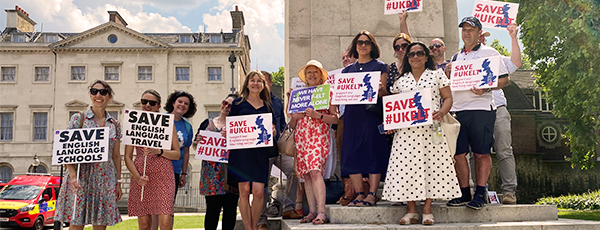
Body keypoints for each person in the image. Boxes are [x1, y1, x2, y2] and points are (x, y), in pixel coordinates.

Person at [382, 42, 460, 225]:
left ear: (426, 56)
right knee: (406, 168)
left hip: (430, 129)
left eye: (419, 53)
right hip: (405, 133)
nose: (415, 57)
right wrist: (391, 123)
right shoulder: (401, 81)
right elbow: (394, 106)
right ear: (407, 59)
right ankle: (411, 210)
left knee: (431, 167)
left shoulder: (437, 75)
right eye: (411, 54)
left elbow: (448, 97)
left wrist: (442, 112)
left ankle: (427, 208)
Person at [444, 17, 518, 210]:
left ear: (479, 33)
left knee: (481, 153)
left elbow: (505, 80)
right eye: (464, 30)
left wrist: (486, 88)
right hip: (458, 111)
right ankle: (464, 192)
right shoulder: (455, 57)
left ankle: (480, 192)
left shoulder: (490, 52)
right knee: (459, 155)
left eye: (471, 30)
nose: (466, 33)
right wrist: (447, 73)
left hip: (481, 110)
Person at [55, 80, 123, 229]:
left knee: (100, 225)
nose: (98, 95)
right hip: (81, 177)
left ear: (109, 97)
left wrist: (118, 182)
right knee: (76, 224)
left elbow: (116, 155)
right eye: (94, 91)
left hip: (104, 179)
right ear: (90, 95)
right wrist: (73, 177)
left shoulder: (115, 124)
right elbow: (67, 150)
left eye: (103, 92)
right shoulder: (79, 119)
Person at [341, 30, 389, 207]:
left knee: (372, 152)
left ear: (372, 46)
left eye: (367, 42)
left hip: (371, 114)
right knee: (352, 153)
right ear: (355, 46)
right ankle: (359, 193)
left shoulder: (379, 66)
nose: (363, 45)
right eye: (359, 42)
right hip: (352, 115)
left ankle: (372, 194)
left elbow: (384, 92)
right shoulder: (347, 71)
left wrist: (379, 88)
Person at [224, 70, 277, 230]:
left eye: (259, 81)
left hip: (259, 154)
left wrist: (273, 131)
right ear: (247, 83)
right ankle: (249, 228)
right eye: (252, 80)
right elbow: (230, 125)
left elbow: (273, 128)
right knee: (245, 190)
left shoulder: (268, 105)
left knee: (259, 191)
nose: (255, 83)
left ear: (263, 85)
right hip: (241, 154)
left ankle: (255, 225)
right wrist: (227, 131)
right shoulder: (238, 104)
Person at [288, 60, 338, 224]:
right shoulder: (298, 95)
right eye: (309, 72)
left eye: (315, 71)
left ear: (321, 75)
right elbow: (291, 125)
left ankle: (322, 212)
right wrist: (294, 117)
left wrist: (319, 116)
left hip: (318, 136)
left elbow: (335, 118)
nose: (312, 75)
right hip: (302, 138)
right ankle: (312, 211)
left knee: (316, 172)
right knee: (307, 176)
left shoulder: (327, 92)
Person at [125, 90, 181, 230]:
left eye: (152, 103)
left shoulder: (168, 124)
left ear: (158, 106)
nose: (147, 105)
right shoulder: (134, 122)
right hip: (142, 175)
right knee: (144, 224)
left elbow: (177, 154)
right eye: (144, 102)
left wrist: (160, 151)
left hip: (164, 175)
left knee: (166, 222)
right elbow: (127, 156)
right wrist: (137, 178)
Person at [257, 71, 301, 230]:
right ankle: (261, 220)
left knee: (295, 171)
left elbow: (283, 125)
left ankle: (288, 208)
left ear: (269, 83)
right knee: (262, 184)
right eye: (257, 81)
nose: (261, 84)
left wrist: (293, 122)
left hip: (278, 148)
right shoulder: (253, 101)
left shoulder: (277, 102)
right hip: (261, 150)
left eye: (264, 81)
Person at [193, 94, 240, 230]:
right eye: (225, 102)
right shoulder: (206, 123)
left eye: (230, 105)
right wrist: (197, 141)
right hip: (211, 176)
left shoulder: (238, 127)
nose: (226, 106)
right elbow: (196, 147)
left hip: (231, 175)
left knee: (230, 212)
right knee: (212, 211)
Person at [163, 90, 196, 226]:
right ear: (173, 103)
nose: (182, 105)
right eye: (180, 101)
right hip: (158, 170)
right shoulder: (160, 120)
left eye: (186, 104)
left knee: (169, 207)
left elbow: (186, 152)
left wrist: (184, 173)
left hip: (175, 171)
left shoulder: (187, 126)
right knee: (155, 207)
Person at [387, 10, 413, 94]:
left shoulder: (415, 65)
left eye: (404, 46)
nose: (400, 49)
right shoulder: (390, 68)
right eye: (397, 47)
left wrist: (403, 21)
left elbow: (407, 38)